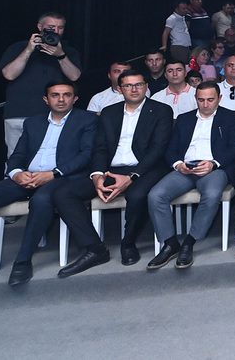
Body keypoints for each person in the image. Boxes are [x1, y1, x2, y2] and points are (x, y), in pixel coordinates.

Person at [0, 81, 97, 292]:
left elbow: (86, 155)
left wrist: (53, 174)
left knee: (41, 199)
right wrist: (16, 173)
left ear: (75, 99)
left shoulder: (87, 120)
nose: (61, 99)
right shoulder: (33, 123)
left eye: (66, 95)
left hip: (61, 178)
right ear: (46, 99)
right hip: (28, 177)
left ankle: (23, 261)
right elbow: (18, 154)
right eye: (55, 95)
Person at [53, 70, 174, 277]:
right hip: (111, 169)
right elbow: (100, 147)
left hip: (145, 168)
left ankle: (128, 243)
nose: (134, 89)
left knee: (137, 195)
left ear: (146, 87)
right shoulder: (109, 112)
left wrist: (132, 176)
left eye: (138, 85)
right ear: (120, 89)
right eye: (128, 85)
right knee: (63, 194)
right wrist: (97, 175)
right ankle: (94, 248)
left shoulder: (161, 110)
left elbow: (158, 149)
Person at [145, 82, 235, 270]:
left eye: (210, 100)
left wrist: (214, 163)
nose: (205, 104)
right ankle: (170, 243)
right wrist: (178, 164)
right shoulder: (184, 119)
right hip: (186, 167)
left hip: (214, 168)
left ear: (219, 98)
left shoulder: (229, 117)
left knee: (212, 194)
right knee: (155, 195)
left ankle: (189, 242)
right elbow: (170, 148)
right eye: (201, 100)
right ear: (195, 99)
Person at [0, 12, 83, 156]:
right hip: (19, 114)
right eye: (51, 27)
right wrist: (29, 50)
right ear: (39, 27)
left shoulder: (68, 50)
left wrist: (61, 55)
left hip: (54, 115)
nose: (56, 31)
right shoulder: (18, 47)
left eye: (60, 28)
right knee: (16, 157)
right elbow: (9, 74)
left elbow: (75, 76)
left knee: (50, 156)